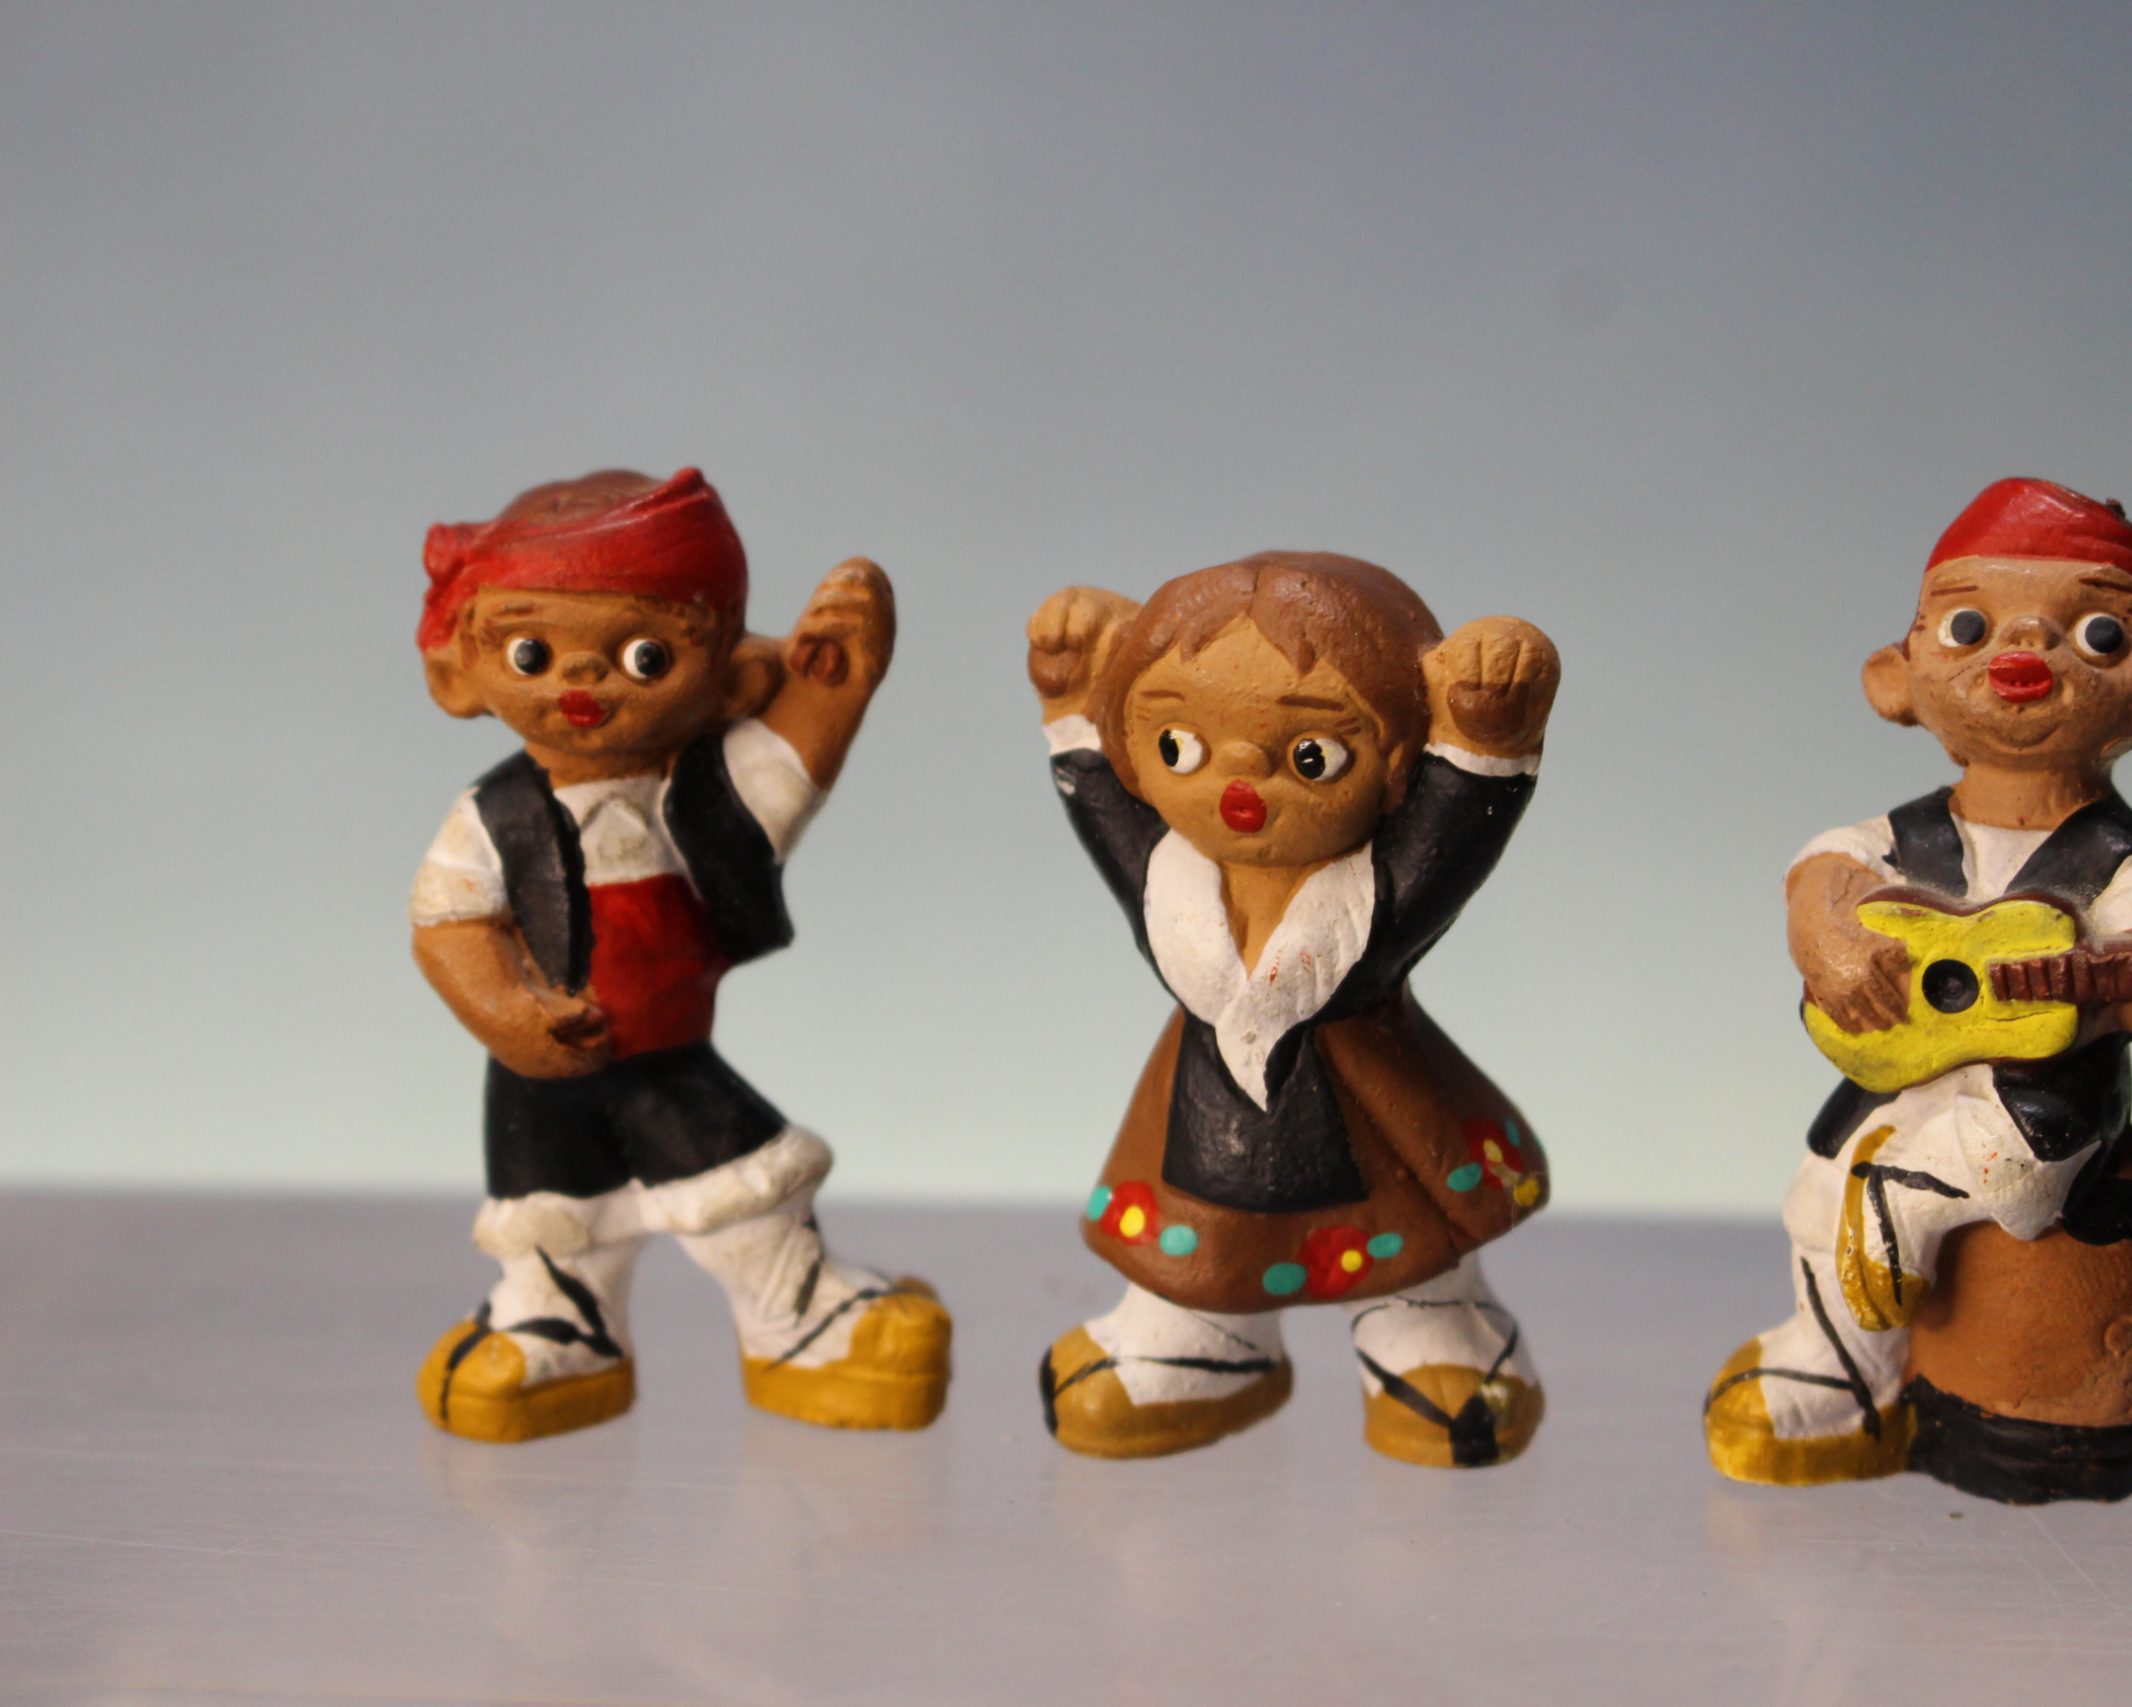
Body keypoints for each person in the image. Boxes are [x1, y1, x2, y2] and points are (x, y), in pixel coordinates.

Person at [1707, 478, 2132, 1491]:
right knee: (1815, 1194)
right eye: (1970, 627)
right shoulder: (1904, 834)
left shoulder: (2126, 867)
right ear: (1896, 677)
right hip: (1903, 1072)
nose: (2020, 655)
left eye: (2097, 637)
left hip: (2043, 1105)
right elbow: (1821, 881)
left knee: (1980, 1171)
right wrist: (1833, 945)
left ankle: (1902, 1226)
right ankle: (1842, 1371)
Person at [408, 467, 946, 1443]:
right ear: (460, 673)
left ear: (729, 676)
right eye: (532, 653)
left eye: (645, 656)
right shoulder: (491, 820)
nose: (582, 684)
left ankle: (800, 1320)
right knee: (553, 1217)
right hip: (545, 1072)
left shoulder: (700, 794)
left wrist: (835, 688)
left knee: (746, 1198)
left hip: (670, 1058)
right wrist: (510, 1015)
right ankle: (557, 1327)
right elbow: (449, 927)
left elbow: (789, 771)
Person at [1027, 552, 1560, 1466]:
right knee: (1202, 1250)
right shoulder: (1167, 886)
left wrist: (1487, 737)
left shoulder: (1366, 905)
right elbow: (1101, 808)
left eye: (1313, 755)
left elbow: (1449, 843)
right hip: (1209, 1122)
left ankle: (1422, 1330)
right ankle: (1204, 1341)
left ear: (1399, 761)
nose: (1240, 784)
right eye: (1178, 747)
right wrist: (1072, 696)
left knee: (1411, 1254)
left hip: (1372, 1113)